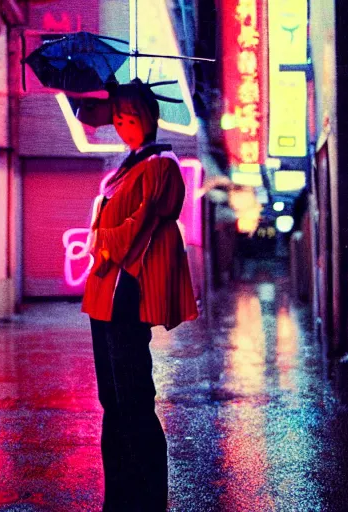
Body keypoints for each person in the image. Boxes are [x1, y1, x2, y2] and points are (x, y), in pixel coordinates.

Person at [80, 78, 198, 511]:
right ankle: (120, 498)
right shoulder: (128, 165)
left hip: (126, 292)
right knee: (112, 401)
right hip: (103, 295)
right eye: (118, 119)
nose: (123, 127)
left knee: (133, 400)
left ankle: (147, 500)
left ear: (147, 119)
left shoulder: (161, 165)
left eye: (130, 119)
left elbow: (145, 221)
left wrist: (103, 240)